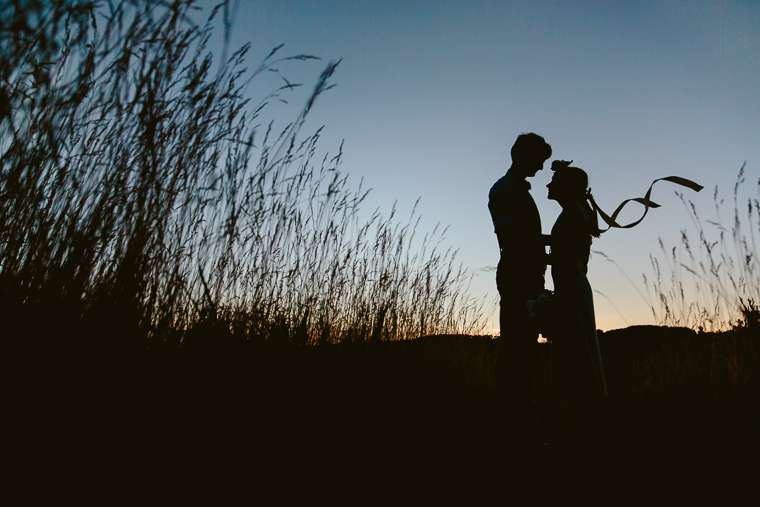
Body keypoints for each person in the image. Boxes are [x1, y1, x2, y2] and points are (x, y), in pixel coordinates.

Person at [488, 133, 552, 439]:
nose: (541, 167)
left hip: (528, 274)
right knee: (515, 346)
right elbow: (509, 237)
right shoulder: (505, 190)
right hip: (517, 276)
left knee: (525, 347)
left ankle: (522, 412)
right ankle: (510, 416)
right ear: (524, 156)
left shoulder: (517, 189)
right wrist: (551, 244)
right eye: (539, 160)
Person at [545, 160, 608, 444]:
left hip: (571, 291)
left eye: (554, 181)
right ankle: (578, 429)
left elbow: (563, 256)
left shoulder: (572, 212)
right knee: (575, 356)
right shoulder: (576, 211)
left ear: (567, 187)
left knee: (572, 358)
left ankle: (576, 432)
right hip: (573, 289)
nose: (548, 184)